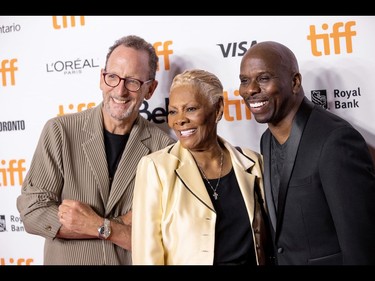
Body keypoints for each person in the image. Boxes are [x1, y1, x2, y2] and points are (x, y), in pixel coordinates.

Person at [16, 35, 176, 265]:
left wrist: (93, 224)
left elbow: (163, 236)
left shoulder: (165, 149)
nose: (120, 91)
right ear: (102, 79)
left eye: (132, 82)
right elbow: (33, 214)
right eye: (113, 77)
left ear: (150, 89)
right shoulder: (60, 131)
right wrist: (120, 228)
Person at [238, 40, 375, 265]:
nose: (251, 89)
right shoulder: (266, 140)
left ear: (294, 82)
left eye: (263, 78)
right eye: (244, 80)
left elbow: (361, 246)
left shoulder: (335, 140)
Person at [131, 69, 272, 265]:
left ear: (218, 109)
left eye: (190, 109)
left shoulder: (253, 163)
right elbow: (146, 255)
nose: (179, 120)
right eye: (173, 111)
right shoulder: (156, 168)